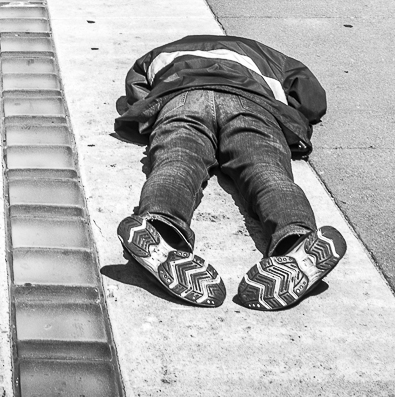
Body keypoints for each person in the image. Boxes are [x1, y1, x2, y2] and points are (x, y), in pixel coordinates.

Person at [114, 34, 347, 311]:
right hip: (252, 103)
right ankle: (296, 239)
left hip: (183, 98)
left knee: (177, 163)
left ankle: (161, 229)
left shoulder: (159, 54)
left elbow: (137, 90)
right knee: (266, 171)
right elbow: (311, 98)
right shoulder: (270, 56)